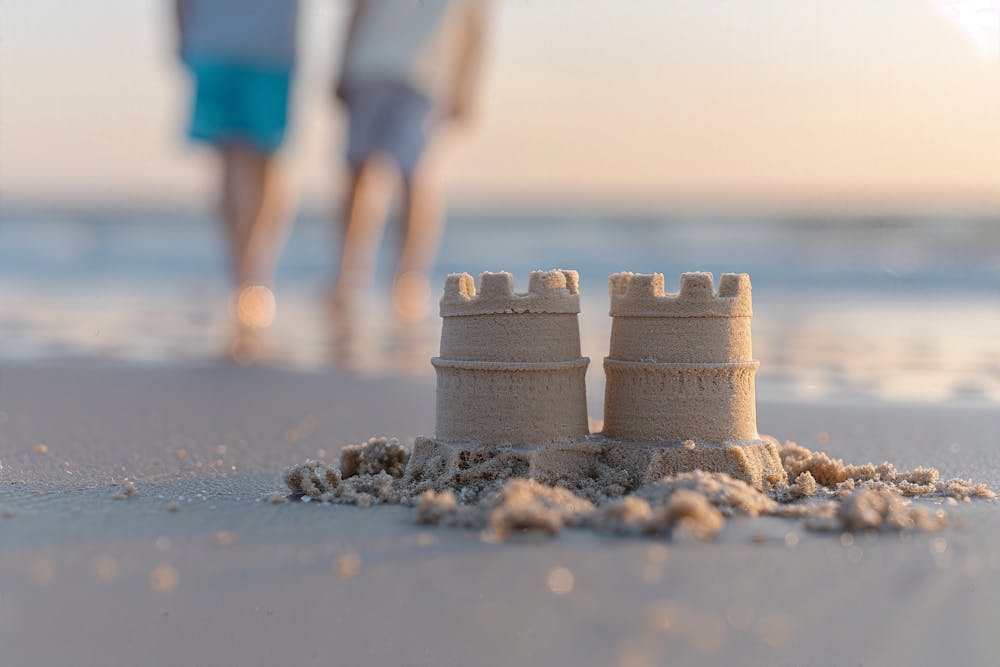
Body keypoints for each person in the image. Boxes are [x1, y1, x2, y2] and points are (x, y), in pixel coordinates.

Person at [331, 0, 489, 324]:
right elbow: (357, 8)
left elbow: (475, 23)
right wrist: (343, 63)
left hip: (426, 71)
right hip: (369, 65)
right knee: (357, 172)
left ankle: (408, 281)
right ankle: (347, 276)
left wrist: (467, 84)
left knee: (414, 175)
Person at [174, 0, 299, 363]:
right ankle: (250, 280)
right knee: (256, 160)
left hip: (226, 40)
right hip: (261, 44)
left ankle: (244, 280)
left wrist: (182, 32)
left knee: (236, 161)